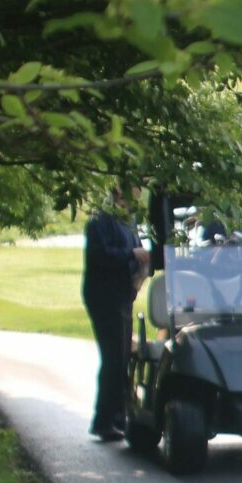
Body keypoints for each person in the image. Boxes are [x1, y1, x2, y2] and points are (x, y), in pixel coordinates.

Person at [82, 186, 149, 440]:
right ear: (119, 191)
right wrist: (131, 254)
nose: (137, 194)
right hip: (104, 296)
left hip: (123, 295)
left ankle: (119, 414)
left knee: (123, 355)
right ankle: (103, 419)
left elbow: (139, 254)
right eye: (133, 189)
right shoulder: (101, 220)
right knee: (113, 357)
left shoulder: (128, 222)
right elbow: (100, 256)